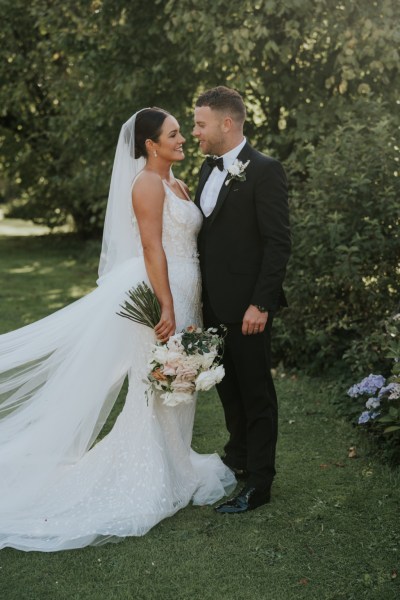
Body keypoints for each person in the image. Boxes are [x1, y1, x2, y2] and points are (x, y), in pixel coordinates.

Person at [0, 108, 235, 552]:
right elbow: (151, 246)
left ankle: (176, 467)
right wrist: (165, 304)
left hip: (189, 289)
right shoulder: (146, 183)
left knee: (178, 384)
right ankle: (147, 477)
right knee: (154, 387)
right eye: (173, 134)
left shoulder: (177, 183)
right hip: (163, 291)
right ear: (151, 144)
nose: (183, 138)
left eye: (183, 132)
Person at [193, 86, 291, 513]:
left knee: (256, 394)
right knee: (228, 391)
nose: (195, 131)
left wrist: (261, 304)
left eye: (200, 124)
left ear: (226, 124)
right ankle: (239, 460)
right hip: (212, 306)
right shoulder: (205, 169)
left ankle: (261, 483)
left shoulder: (266, 170)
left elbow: (278, 243)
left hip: (249, 308)